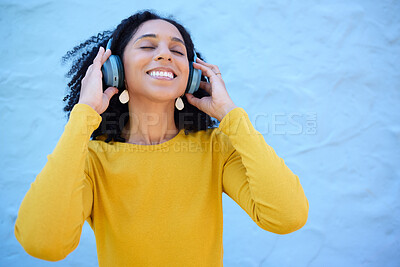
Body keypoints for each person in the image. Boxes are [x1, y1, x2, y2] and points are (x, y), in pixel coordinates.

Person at [14, 10, 309, 266]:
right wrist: (84, 114)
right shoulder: (91, 159)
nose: (165, 54)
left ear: (191, 76)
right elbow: (43, 244)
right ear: (114, 70)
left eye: (178, 51)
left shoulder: (216, 149)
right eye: (147, 46)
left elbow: (287, 216)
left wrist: (230, 114)